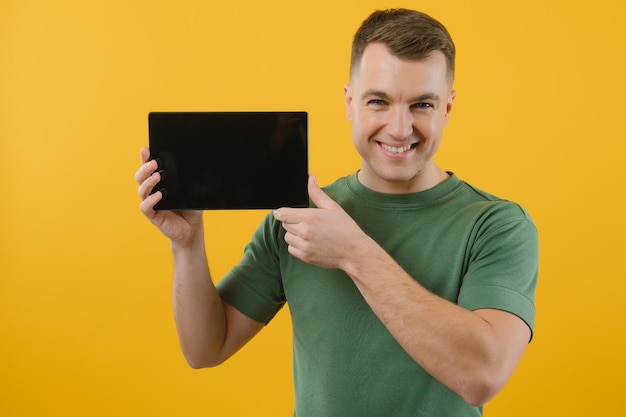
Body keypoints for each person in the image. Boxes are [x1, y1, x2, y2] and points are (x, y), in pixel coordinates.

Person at [135, 8, 538, 416]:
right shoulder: (297, 220)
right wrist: (187, 245)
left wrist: (353, 253)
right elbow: (207, 347)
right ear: (349, 102)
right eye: (378, 101)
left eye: (422, 104)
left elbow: (482, 376)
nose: (399, 128)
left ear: (447, 109)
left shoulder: (497, 226)